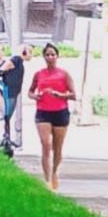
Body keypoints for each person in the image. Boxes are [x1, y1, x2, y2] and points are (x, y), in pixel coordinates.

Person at [30, 42, 76, 189]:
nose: (50, 57)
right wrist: (35, 96)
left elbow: (74, 95)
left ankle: (54, 172)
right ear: (44, 57)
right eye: (47, 54)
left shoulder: (64, 74)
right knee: (46, 144)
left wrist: (60, 95)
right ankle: (47, 180)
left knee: (58, 147)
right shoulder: (39, 74)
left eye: (53, 54)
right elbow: (30, 91)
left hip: (60, 112)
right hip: (43, 111)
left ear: (57, 56)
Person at [0, 44, 25, 156]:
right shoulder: (16, 59)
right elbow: (5, 66)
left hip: (13, 92)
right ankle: (4, 138)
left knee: (8, 116)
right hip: (10, 92)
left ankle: (6, 138)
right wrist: (0, 71)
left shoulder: (20, 62)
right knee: (7, 115)